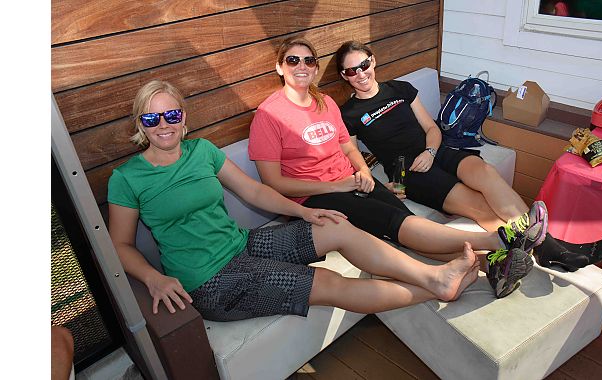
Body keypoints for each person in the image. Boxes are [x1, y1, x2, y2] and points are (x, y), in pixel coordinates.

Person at [107, 80, 481, 322]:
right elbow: (120, 245)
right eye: (152, 117)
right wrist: (153, 278)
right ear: (140, 124)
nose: (163, 124)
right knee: (329, 283)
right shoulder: (127, 178)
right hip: (213, 281)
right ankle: (436, 283)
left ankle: (435, 276)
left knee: (336, 224)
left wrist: (305, 211)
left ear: (183, 117)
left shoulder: (201, 150)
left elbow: (254, 192)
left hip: (243, 244)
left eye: (171, 114)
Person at [248, 37, 547, 298]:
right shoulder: (271, 114)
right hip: (324, 194)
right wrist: (356, 183)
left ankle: (496, 260)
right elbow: (273, 182)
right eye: (292, 60)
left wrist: (363, 172)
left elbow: (348, 147)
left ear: (315, 67)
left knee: (407, 223)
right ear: (279, 67)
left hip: (361, 178)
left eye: (308, 60)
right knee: (400, 223)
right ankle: (501, 240)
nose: (301, 66)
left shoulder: (326, 102)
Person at [334, 40, 602, 280]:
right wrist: (387, 182)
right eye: (351, 70)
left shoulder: (400, 89)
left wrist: (430, 152)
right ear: (345, 76)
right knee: (478, 205)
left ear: (374, 61)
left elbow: (432, 129)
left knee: (485, 172)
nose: (361, 74)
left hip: (435, 150)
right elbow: (353, 153)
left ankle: (548, 245)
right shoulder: (349, 113)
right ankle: (548, 248)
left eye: (364, 64)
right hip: (412, 170)